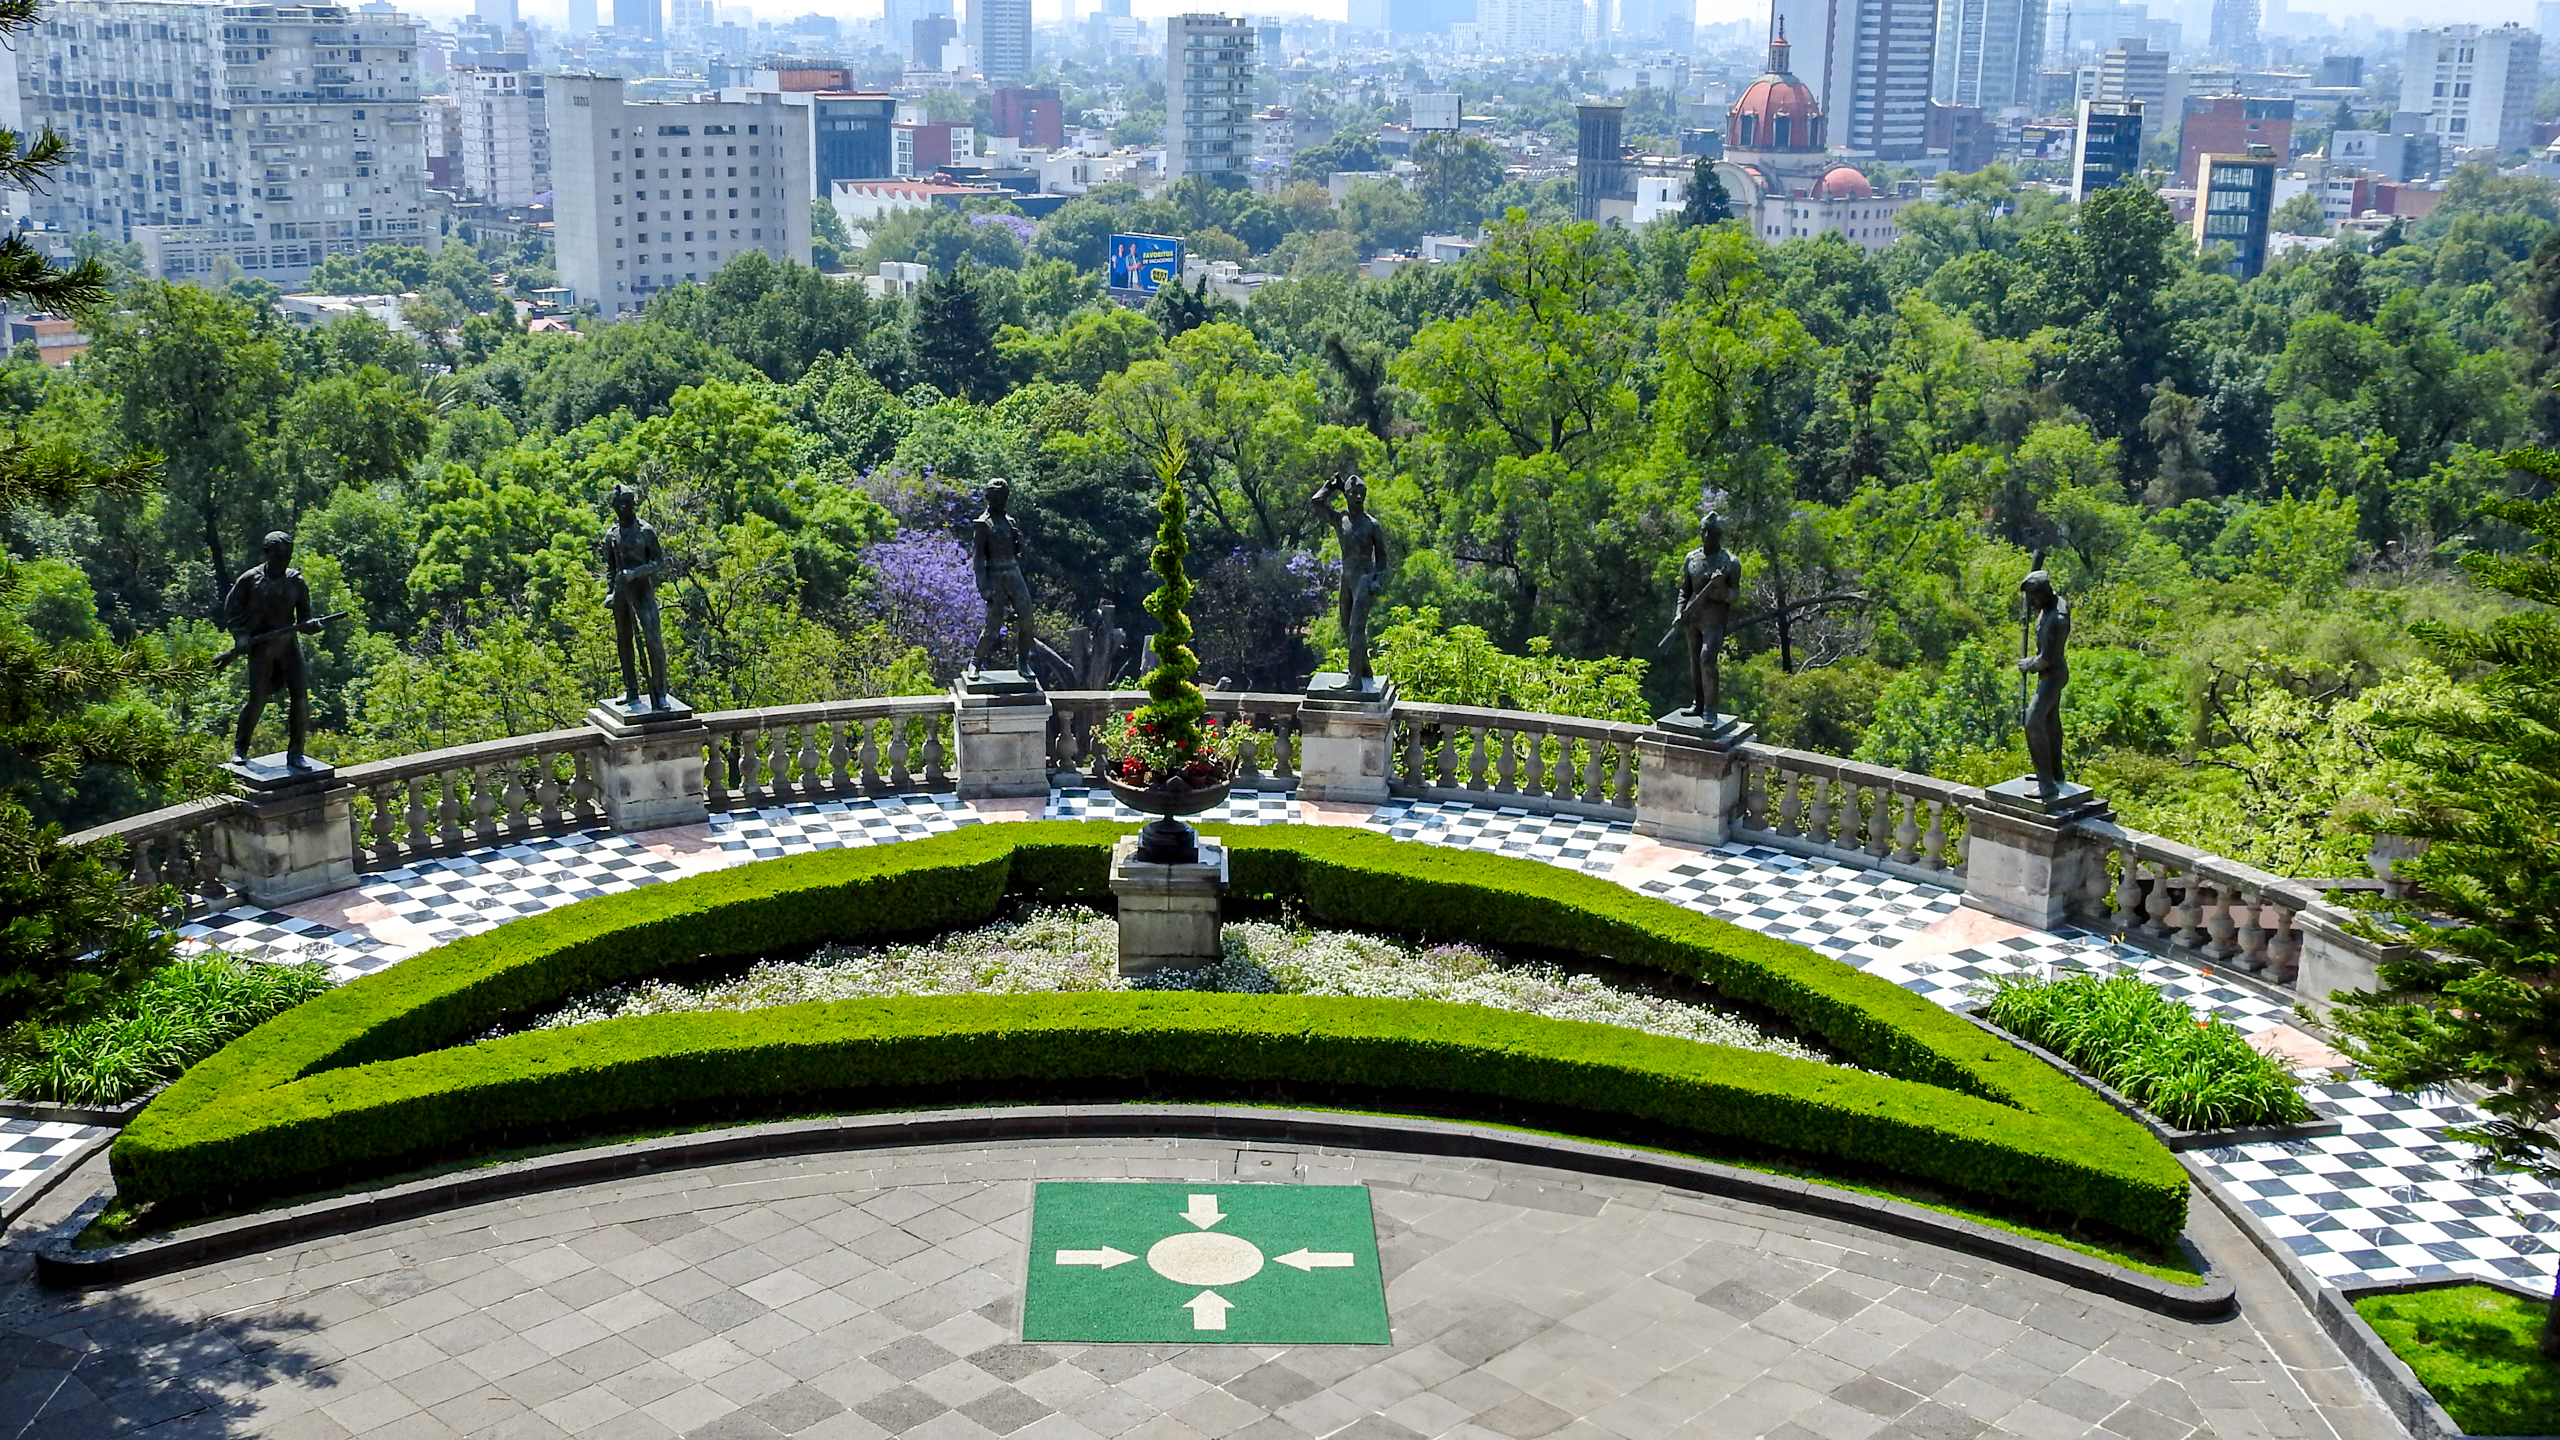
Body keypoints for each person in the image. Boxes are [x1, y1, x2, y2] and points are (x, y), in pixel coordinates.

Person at [223, 531, 323, 767]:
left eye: (287, 557)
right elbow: (232, 612)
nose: (283, 561)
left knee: (300, 699)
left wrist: (312, 626)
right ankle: (240, 748)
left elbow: (305, 619)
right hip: (262, 648)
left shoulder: (296, 581)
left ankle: (296, 752)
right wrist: (241, 637)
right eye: (279, 556)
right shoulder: (249, 580)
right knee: (256, 700)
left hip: (288, 647)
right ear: (268, 554)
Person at [1311, 473, 1389, 691]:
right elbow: (1316, 503)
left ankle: (1355, 679)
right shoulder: (1341, 519)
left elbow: (1382, 556)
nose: (1357, 497)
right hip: (1346, 578)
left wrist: (1377, 580)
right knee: (1347, 625)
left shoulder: (1372, 524)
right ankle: (1363, 669)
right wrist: (1330, 485)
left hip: (1364, 579)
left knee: (1356, 627)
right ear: (1347, 495)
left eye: (1361, 494)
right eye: (1353, 493)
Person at [603, 485, 671, 708]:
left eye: (627, 504)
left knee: (653, 641)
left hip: (643, 592)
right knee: (624, 642)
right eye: (619, 505)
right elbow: (610, 570)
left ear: (634, 505)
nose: (624, 509)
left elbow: (659, 562)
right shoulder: (611, 536)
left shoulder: (645, 531)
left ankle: (660, 692)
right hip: (622, 595)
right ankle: (630, 688)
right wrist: (611, 593)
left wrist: (635, 573)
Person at [1673, 511, 1743, 720]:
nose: (1707, 536)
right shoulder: (1691, 559)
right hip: (1693, 618)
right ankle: (1699, 704)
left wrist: (1721, 591)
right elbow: (1684, 589)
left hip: (1715, 620)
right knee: (1695, 662)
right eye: (1704, 532)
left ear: (1719, 535)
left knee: (1706, 660)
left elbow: (1735, 594)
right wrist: (1679, 612)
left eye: (1712, 533)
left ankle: (1711, 710)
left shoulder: (1730, 562)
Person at [970, 479, 1037, 679]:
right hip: (995, 576)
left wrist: (1020, 542)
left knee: (1027, 619)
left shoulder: (1010, 522)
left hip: (1013, 572)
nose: (1002, 501)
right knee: (992, 627)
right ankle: (975, 663)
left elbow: (1017, 551)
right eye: (998, 497)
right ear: (990, 498)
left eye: (1004, 497)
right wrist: (985, 589)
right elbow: (978, 559)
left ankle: (1023, 662)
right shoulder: (982, 525)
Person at [2018, 566, 2071, 797]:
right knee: (2050, 723)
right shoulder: (2049, 605)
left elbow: (2047, 658)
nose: (2031, 604)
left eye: (2033, 598)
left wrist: (2028, 664)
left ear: (2043, 593)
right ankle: (2054, 773)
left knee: (2032, 721)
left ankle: (2046, 784)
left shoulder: (2057, 618)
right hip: (2050, 675)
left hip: (2053, 675)